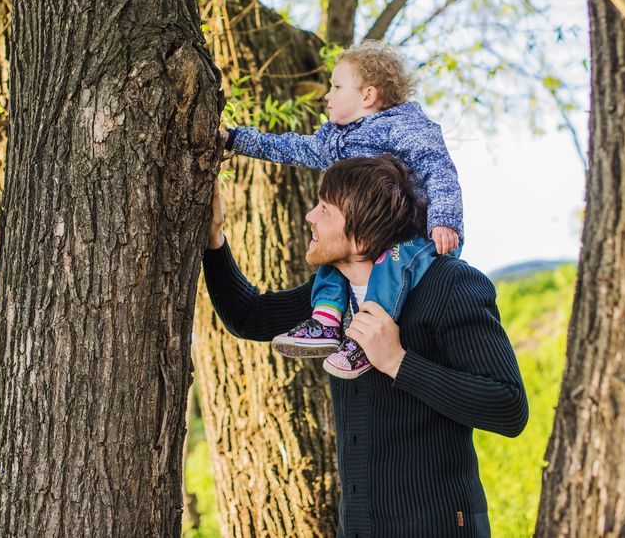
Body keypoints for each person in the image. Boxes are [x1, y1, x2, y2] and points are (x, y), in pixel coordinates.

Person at [202, 155, 528, 537]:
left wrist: (398, 361)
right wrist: (214, 239)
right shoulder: (330, 299)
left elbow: (508, 407)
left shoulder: (451, 284)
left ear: (361, 236)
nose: (310, 216)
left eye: (325, 209)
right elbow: (248, 317)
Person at [221, 41, 464, 378]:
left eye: (337, 86)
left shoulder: (404, 128)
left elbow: (439, 169)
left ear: (367, 96)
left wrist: (444, 221)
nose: (327, 95)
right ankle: (326, 320)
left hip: (412, 237)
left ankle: (367, 337)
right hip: (363, 238)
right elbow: (290, 147)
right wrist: (236, 140)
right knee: (333, 258)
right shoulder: (336, 141)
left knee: (390, 269)